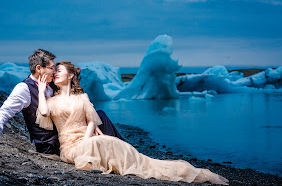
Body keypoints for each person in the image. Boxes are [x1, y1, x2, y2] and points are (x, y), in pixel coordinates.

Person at [35, 61, 229, 184]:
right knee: (102, 142)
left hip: (85, 140)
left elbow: (92, 121)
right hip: (69, 147)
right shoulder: (51, 100)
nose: (55, 74)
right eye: (55, 72)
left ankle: (149, 163)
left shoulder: (82, 97)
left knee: (116, 145)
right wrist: (42, 92)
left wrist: (86, 139)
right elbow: (43, 111)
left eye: (59, 71)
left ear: (70, 76)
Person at [0, 49, 123, 155]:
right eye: (52, 68)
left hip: (65, 134)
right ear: (39, 68)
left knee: (99, 116)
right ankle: (121, 152)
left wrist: (92, 120)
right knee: (101, 120)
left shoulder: (51, 85)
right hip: (49, 144)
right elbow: (3, 112)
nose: (54, 71)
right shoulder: (24, 88)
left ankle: (121, 151)